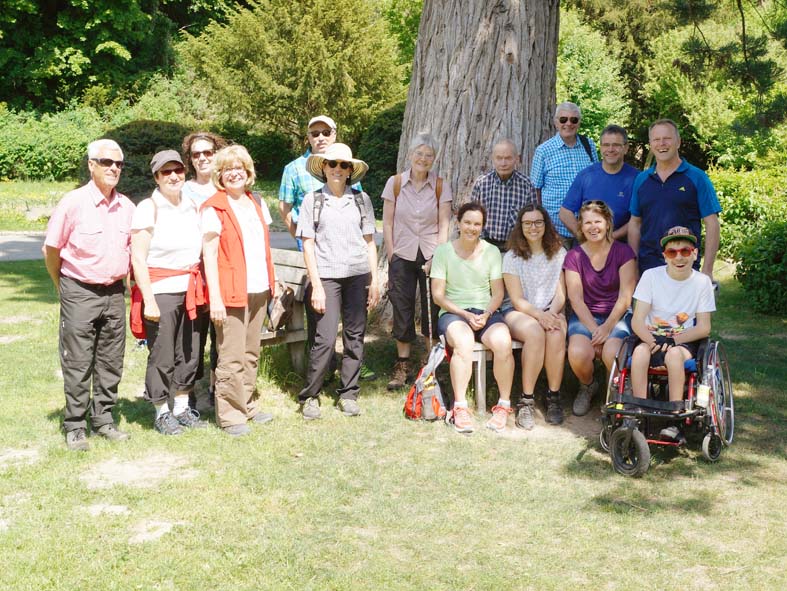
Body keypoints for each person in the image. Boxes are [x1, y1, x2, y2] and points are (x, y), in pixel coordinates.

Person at [43, 139, 134, 451]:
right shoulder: (73, 202)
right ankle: (75, 425)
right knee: (78, 360)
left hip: (114, 293)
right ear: (91, 165)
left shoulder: (127, 207)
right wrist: (61, 286)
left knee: (111, 359)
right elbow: (51, 250)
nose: (114, 168)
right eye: (107, 162)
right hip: (79, 290)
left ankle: (104, 419)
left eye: (119, 164)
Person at [278, 115, 375, 380]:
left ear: (334, 134)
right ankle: (324, 368)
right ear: (308, 137)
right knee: (320, 318)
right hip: (316, 257)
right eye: (314, 133)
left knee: (353, 318)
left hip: (349, 258)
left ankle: (352, 366)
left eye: (325, 132)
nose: (320, 137)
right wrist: (303, 239)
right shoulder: (294, 169)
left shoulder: (346, 167)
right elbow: (285, 208)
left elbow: (358, 211)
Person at [295, 143, 379, 420]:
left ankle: (349, 393)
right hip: (326, 277)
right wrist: (317, 285)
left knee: (355, 336)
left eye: (344, 165)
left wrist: (375, 280)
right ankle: (311, 395)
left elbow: (370, 242)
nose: (338, 169)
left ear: (351, 170)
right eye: (333, 164)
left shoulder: (362, 200)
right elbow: (308, 245)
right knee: (325, 339)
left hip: (358, 276)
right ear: (324, 167)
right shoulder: (313, 200)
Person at [201, 145, 276, 437]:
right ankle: (230, 415)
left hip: (259, 288)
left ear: (248, 172)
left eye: (239, 168)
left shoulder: (256, 202)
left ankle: (248, 405)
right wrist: (215, 298)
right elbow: (209, 256)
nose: (234, 173)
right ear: (219, 175)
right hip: (231, 292)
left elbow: (264, 247)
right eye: (227, 169)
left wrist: (273, 281)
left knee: (250, 352)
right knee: (231, 355)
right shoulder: (214, 207)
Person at [130, 150, 206, 436]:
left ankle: (181, 408)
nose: (173, 176)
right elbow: (138, 258)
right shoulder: (148, 208)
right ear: (156, 177)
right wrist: (149, 300)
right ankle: (161, 411)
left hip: (190, 289)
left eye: (178, 170)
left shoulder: (192, 205)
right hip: (161, 291)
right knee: (162, 354)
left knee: (189, 351)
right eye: (166, 172)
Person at [431, 202, 515, 434]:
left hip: (485, 312)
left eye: (477, 224)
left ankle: (503, 405)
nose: (471, 228)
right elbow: (438, 295)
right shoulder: (443, 252)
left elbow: (497, 293)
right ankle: (460, 407)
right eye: (467, 222)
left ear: (482, 226)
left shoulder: (491, 252)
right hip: (454, 313)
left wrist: (486, 314)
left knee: (503, 342)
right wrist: (464, 314)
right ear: (458, 223)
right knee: (464, 342)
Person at [381, 132, 452, 390]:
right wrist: (392, 254)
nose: (423, 158)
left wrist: (438, 257)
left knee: (432, 308)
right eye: (419, 153)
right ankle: (402, 364)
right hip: (402, 253)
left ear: (434, 158)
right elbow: (387, 222)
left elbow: (444, 225)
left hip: (432, 254)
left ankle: (430, 364)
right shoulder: (395, 183)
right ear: (411, 155)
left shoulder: (441, 186)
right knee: (402, 307)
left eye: (429, 155)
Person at [630, 226, 715, 441]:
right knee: (639, 354)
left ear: (694, 253)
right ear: (664, 256)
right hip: (651, 337)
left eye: (685, 251)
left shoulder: (702, 282)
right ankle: (639, 413)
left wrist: (673, 340)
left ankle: (675, 419)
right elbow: (637, 320)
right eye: (672, 252)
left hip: (684, 339)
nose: (679, 257)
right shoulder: (651, 276)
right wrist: (653, 341)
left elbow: (704, 327)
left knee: (673, 355)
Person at [563, 201, 636, 421]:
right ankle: (588, 385)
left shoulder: (623, 252)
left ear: (607, 224)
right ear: (581, 226)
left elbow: (625, 297)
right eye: (587, 223)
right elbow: (576, 299)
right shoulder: (574, 256)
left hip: (618, 315)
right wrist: (596, 329)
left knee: (611, 352)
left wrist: (607, 328)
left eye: (598, 221)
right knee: (578, 353)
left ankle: (619, 394)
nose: (593, 227)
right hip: (586, 316)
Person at [628, 119, 722, 279]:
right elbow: (635, 223)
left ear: (678, 142)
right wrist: (633, 266)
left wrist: (707, 270)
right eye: (656, 139)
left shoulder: (697, 177)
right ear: (650, 144)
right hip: (648, 267)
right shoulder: (642, 179)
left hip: (685, 264)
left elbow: (712, 223)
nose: (661, 144)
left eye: (667, 138)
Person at [502, 204, 567, 430]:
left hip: (551, 310)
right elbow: (517, 299)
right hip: (519, 312)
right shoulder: (512, 257)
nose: (533, 227)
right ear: (520, 226)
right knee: (536, 333)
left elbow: (561, 293)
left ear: (546, 224)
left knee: (556, 333)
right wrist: (540, 316)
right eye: (528, 223)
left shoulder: (559, 253)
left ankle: (553, 396)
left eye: (538, 222)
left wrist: (551, 314)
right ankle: (526, 400)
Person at [181, 131, 228, 412]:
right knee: (193, 334)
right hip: (194, 271)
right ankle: (188, 389)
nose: (202, 158)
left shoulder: (226, 187)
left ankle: (216, 387)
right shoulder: (182, 190)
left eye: (207, 152)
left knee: (221, 332)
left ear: (216, 154)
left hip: (223, 270)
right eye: (196, 154)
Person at [531, 102, 598, 245]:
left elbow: (596, 179)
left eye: (574, 119)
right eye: (563, 119)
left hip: (587, 227)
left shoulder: (589, 145)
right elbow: (535, 190)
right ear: (556, 122)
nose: (568, 123)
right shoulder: (543, 151)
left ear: (579, 122)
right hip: (556, 231)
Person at [559, 124, 639, 241]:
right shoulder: (586, 176)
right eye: (606, 145)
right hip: (587, 243)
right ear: (601, 147)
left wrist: (609, 239)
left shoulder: (637, 179)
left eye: (616, 145)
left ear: (626, 148)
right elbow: (565, 212)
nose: (610, 149)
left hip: (619, 244)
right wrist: (582, 235)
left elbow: (638, 219)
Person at [469, 139, 537, 251]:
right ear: (493, 159)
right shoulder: (482, 183)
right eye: (499, 158)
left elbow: (531, 219)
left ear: (516, 159)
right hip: (484, 245)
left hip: (515, 247)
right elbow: (472, 217)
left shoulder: (527, 185)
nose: (503, 163)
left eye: (508, 158)